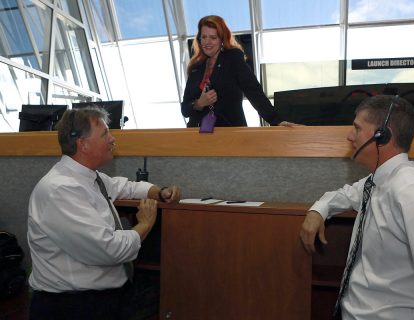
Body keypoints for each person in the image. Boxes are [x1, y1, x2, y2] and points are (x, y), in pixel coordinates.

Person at [300, 94, 414, 319]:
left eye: (356, 128)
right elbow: (345, 195)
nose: (349, 136)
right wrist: (318, 210)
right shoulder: (377, 181)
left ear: (382, 136)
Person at [27, 106, 181, 320]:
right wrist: (144, 224)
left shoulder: (90, 177)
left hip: (101, 300)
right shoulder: (60, 190)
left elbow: (125, 187)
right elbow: (109, 249)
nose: (112, 139)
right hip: (73, 307)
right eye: (105, 133)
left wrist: (159, 191)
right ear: (83, 144)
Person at [181, 15, 297, 127]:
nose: (207, 42)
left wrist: (276, 120)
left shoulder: (233, 58)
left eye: (213, 37)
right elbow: (185, 109)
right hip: (198, 135)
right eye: (204, 37)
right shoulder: (196, 67)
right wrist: (199, 104)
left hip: (230, 132)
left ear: (222, 39)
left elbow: (253, 91)